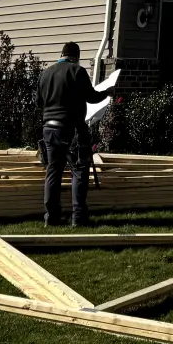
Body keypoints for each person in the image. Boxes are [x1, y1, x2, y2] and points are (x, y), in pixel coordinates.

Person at [37, 42, 107, 226]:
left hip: (49, 129)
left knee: (53, 171)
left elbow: (38, 102)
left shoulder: (45, 73)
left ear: (61, 54)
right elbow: (91, 97)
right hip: (71, 129)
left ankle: (51, 217)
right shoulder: (77, 71)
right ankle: (78, 217)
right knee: (78, 171)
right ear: (76, 56)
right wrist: (108, 92)